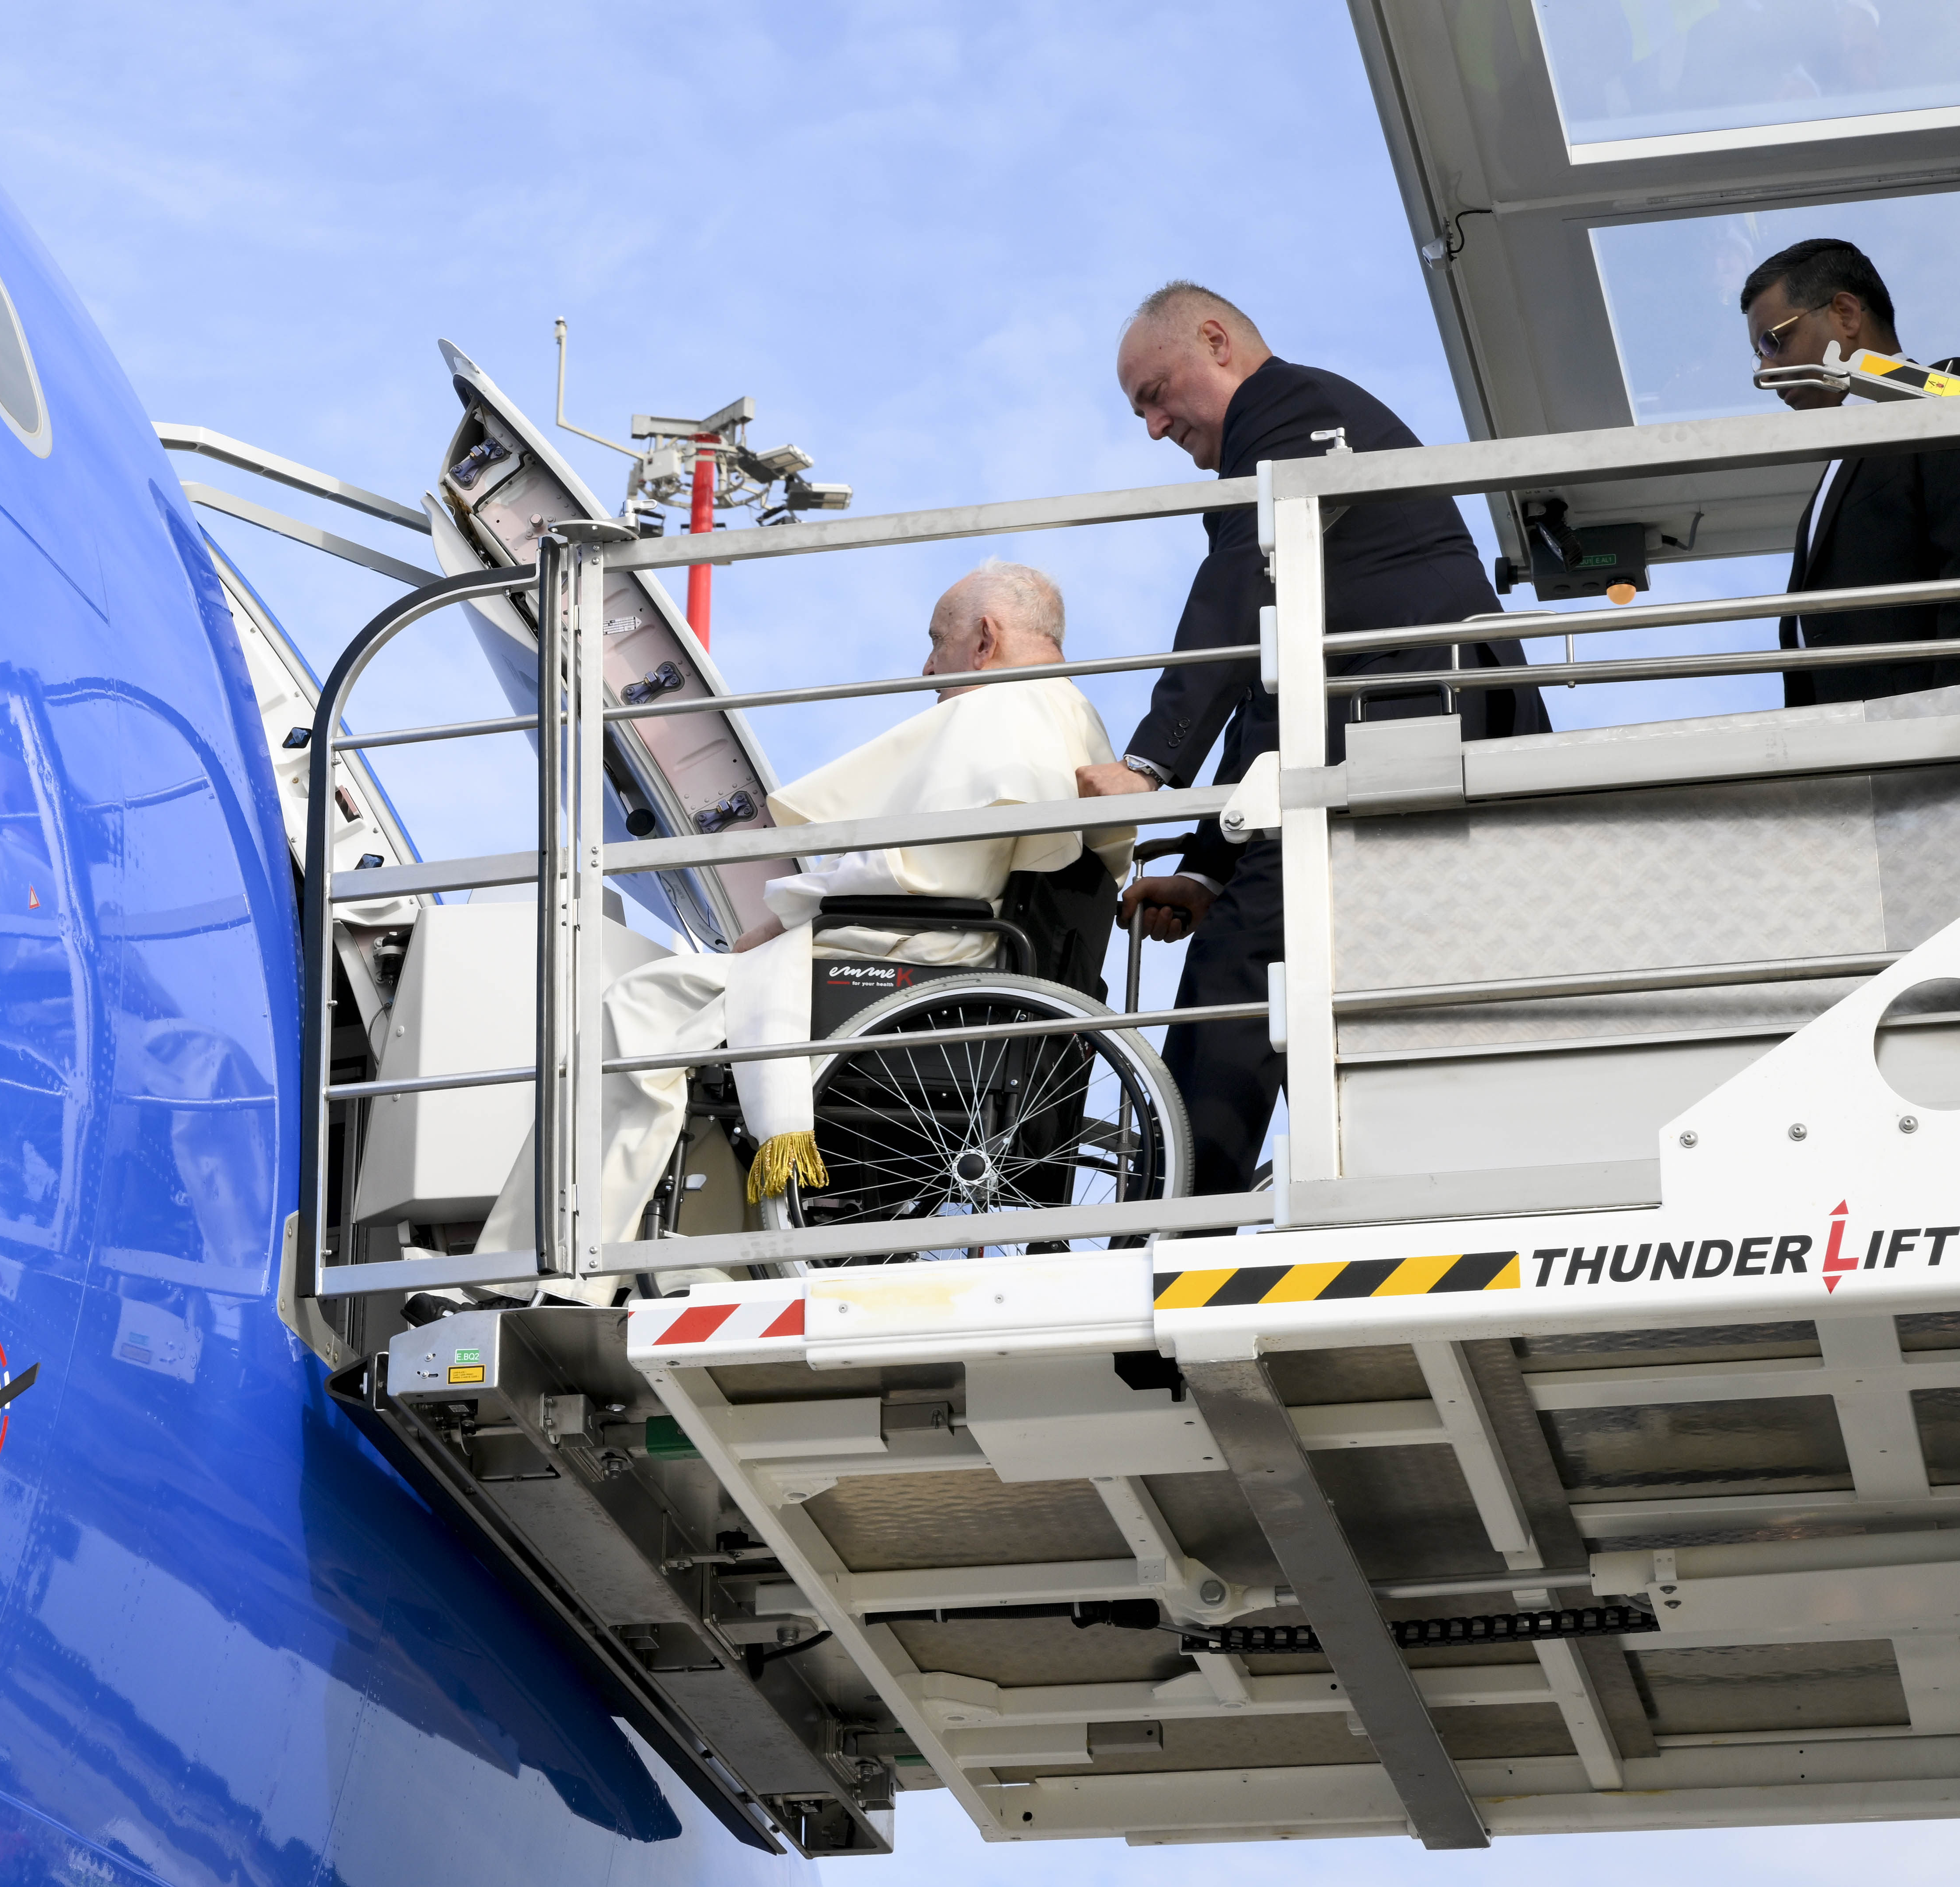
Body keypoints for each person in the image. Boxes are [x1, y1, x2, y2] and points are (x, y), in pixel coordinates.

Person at [472, 560, 1131, 1282]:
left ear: (984, 638)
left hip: (906, 965)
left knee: (641, 1003)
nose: (925, 664)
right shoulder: (1068, 716)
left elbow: (923, 876)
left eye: (937, 640)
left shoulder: (997, 711)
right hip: (965, 972)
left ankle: (542, 1272)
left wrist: (792, 913)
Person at [1075, 283, 1546, 1200]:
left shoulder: (1293, 411)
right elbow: (1274, 688)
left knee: (1240, 975)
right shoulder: (1288, 445)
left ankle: (1171, 1251)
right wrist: (1210, 865)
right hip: (1379, 728)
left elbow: (1237, 597)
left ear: (1217, 342)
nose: (1153, 426)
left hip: (1408, 720)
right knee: (1261, 954)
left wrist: (1148, 767)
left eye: (1155, 393)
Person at [1741, 237, 1960, 705]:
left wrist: (1946, 724)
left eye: (1772, 341)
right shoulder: (1842, 463)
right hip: (1849, 754)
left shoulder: (1939, 396)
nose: (1765, 370)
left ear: (1846, 314)